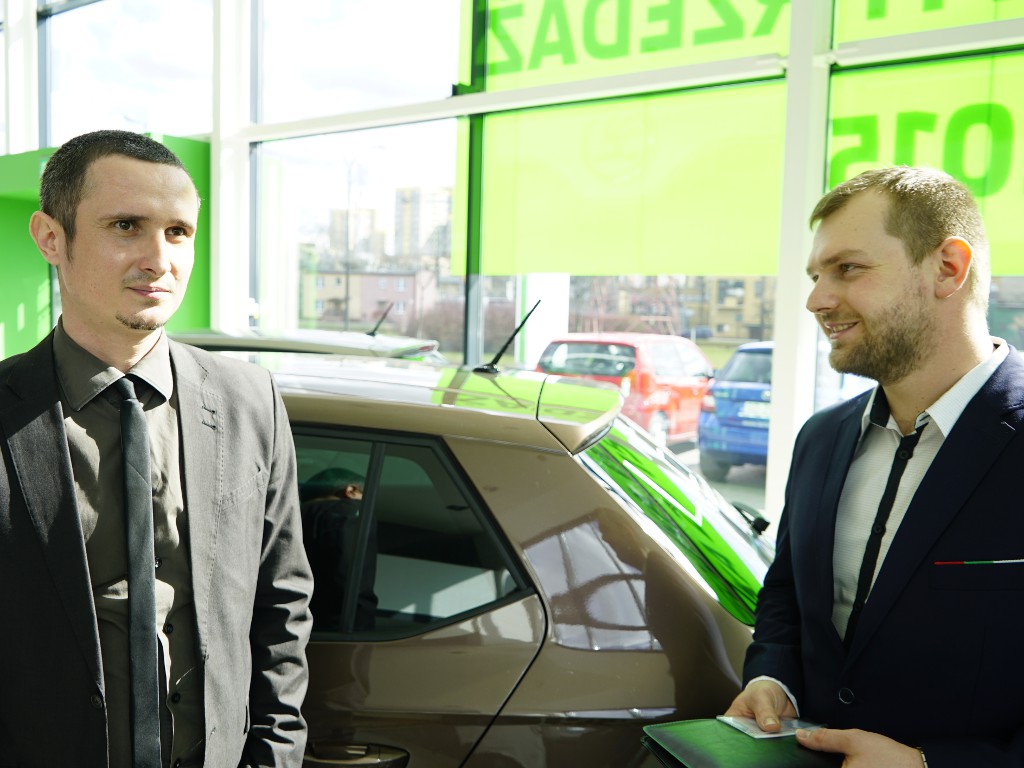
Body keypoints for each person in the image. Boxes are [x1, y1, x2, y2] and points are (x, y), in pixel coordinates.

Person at [0, 130, 313, 767]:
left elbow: (282, 602)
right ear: (51, 238)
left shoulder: (251, 401)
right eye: (126, 226)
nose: (159, 259)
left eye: (178, 232)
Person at [725, 165, 1024, 766]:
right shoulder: (820, 438)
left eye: (848, 268)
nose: (816, 300)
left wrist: (930, 765)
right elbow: (787, 595)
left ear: (948, 268)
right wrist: (773, 679)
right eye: (815, 275)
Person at [300, 467, 378, 632]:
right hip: (332, 631)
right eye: (366, 497)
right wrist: (360, 633)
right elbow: (349, 583)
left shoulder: (292, 518)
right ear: (351, 490)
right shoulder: (349, 513)